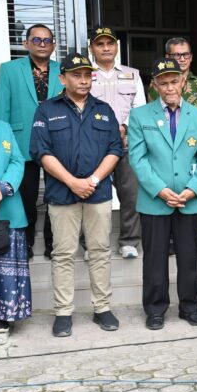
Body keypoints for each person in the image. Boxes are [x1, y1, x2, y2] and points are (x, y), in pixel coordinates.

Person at [29, 53, 123, 338]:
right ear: (63, 78)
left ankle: (102, 308)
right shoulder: (46, 110)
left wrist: (92, 180)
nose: (83, 80)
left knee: (99, 252)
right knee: (63, 255)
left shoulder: (104, 110)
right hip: (62, 194)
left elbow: (115, 149)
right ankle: (63, 313)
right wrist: (72, 182)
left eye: (87, 75)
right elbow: (41, 152)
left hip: (98, 193)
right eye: (77, 75)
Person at [128, 57, 197, 331]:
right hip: (155, 201)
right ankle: (155, 309)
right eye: (163, 83)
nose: (169, 88)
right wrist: (162, 191)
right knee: (154, 259)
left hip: (189, 201)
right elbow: (137, 160)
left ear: (182, 82)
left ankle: (190, 306)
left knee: (189, 257)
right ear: (154, 85)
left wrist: (191, 191)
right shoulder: (140, 116)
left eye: (174, 81)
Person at [0, 24, 63, 259]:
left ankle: (54, 243)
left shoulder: (63, 70)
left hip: (57, 142)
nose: (42, 44)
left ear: (53, 45)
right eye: (37, 40)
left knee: (56, 195)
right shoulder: (9, 70)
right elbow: (1, 111)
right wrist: (4, 146)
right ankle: (26, 243)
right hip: (20, 141)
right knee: (26, 195)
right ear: (26, 44)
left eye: (47, 40)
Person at [148, 37, 197, 254]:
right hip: (166, 143)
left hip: (195, 144)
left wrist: (193, 131)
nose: (182, 59)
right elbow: (153, 112)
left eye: (185, 55)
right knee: (167, 187)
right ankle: (169, 239)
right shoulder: (155, 84)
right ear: (168, 57)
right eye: (177, 55)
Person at [88, 26, 145, 259]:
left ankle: (129, 241)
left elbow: (139, 108)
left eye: (109, 43)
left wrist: (123, 127)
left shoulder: (132, 74)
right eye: (100, 44)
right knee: (92, 193)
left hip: (126, 142)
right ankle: (92, 244)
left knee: (131, 193)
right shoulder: (84, 74)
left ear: (116, 46)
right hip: (93, 144)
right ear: (92, 48)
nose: (105, 48)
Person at [0, 80, 31, 341]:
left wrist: (0, 190)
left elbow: (17, 160)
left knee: (6, 265)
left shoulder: (3, 128)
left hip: (8, 207)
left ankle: (3, 317)